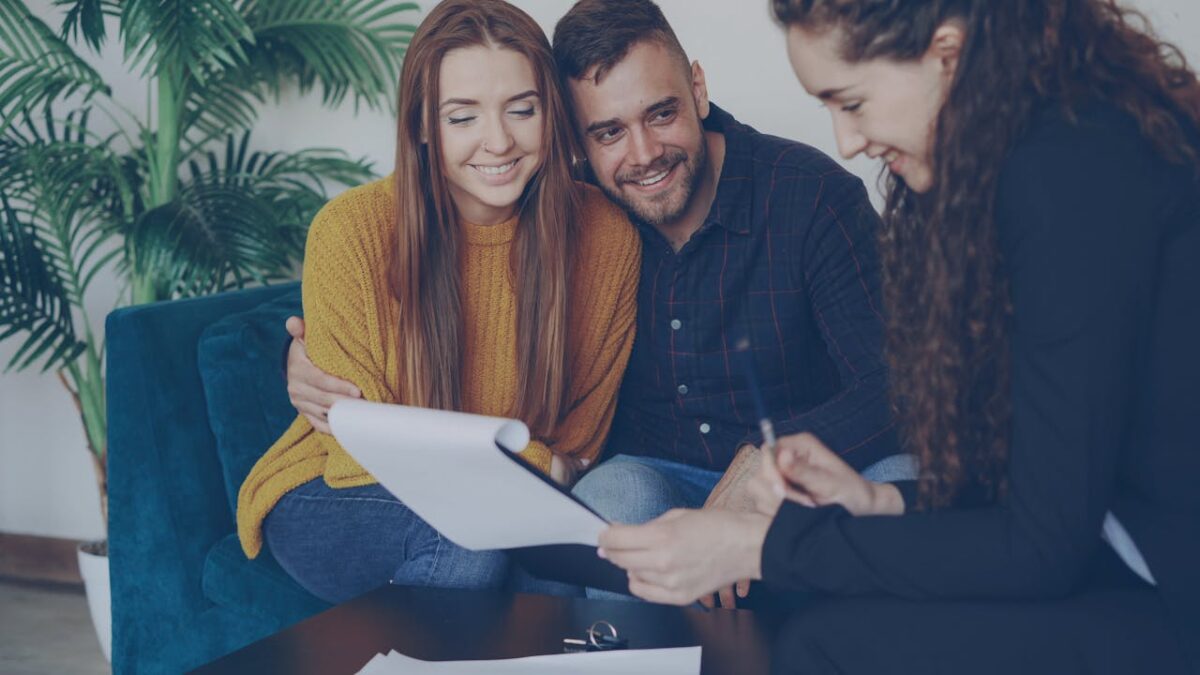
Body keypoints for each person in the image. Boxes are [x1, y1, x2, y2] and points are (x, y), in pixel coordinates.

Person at [597, 0, 1200, 672]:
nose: (847, 140)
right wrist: (877, 501)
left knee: (821, 642)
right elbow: (1046, 483)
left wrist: (758, 546)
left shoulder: (1069, 175)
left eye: (850, 102)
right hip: (1114, 547)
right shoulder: (1031, 153)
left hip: (1169, 591)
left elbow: (1042, 546)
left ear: (946, 56)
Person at [282, 0, 914, 608]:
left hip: (794, 475)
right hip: (648, 477)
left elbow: (897, 380)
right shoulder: (578, 210)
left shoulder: (809, 197)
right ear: (577, 141)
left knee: (903, 477)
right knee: (606, 498)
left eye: (661, 113)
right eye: (608, 131)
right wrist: (292, 355)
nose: (642, 154)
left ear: (697, 88)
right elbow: (407, 323)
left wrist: (767, 474)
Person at [235, 0, 641, 605]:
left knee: (557, 571)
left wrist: (542, 470)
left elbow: (580, 445)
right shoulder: (351, 230)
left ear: (550, 113)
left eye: (521, 110)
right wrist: (533, 460)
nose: (498, 141)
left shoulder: (606, 237)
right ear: (423, 123)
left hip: (512, 497)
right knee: (466, 548)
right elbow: (358, 447)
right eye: (462, 117)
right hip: (335, 491)